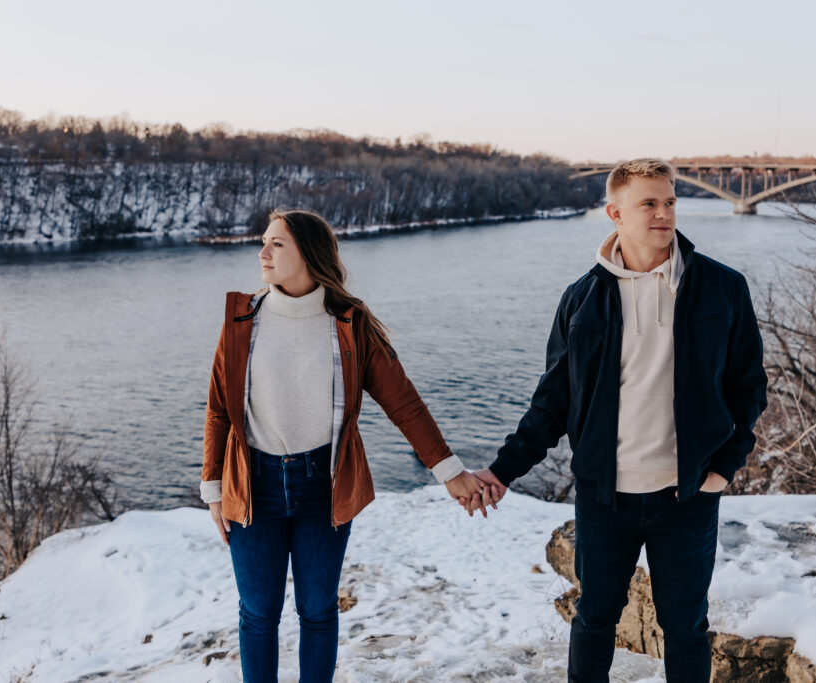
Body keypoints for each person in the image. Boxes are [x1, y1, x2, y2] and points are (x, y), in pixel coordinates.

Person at [469, 158, 768, 682]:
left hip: (688, 496)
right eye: (648, 203)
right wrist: (502, 470)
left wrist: (724, 466)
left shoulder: (723, 287)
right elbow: (552, 403)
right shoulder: (582, 300)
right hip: (605, 497)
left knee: (686, 628)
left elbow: (748, 387)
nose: (663, 213)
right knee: (594, 621)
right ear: (615, 213)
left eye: (670, 201)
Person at [200, 209, 490, 683]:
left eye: (277, 244)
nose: (263, 253)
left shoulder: (350, 326)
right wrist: (213, 487)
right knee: (257, 614)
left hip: (325, 484)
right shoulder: (241, 321)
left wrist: (449, 472)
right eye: (264, 242)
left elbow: (405, 404)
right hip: (253, 486)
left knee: (317, 610)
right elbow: (218, 409)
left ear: (309, 254)